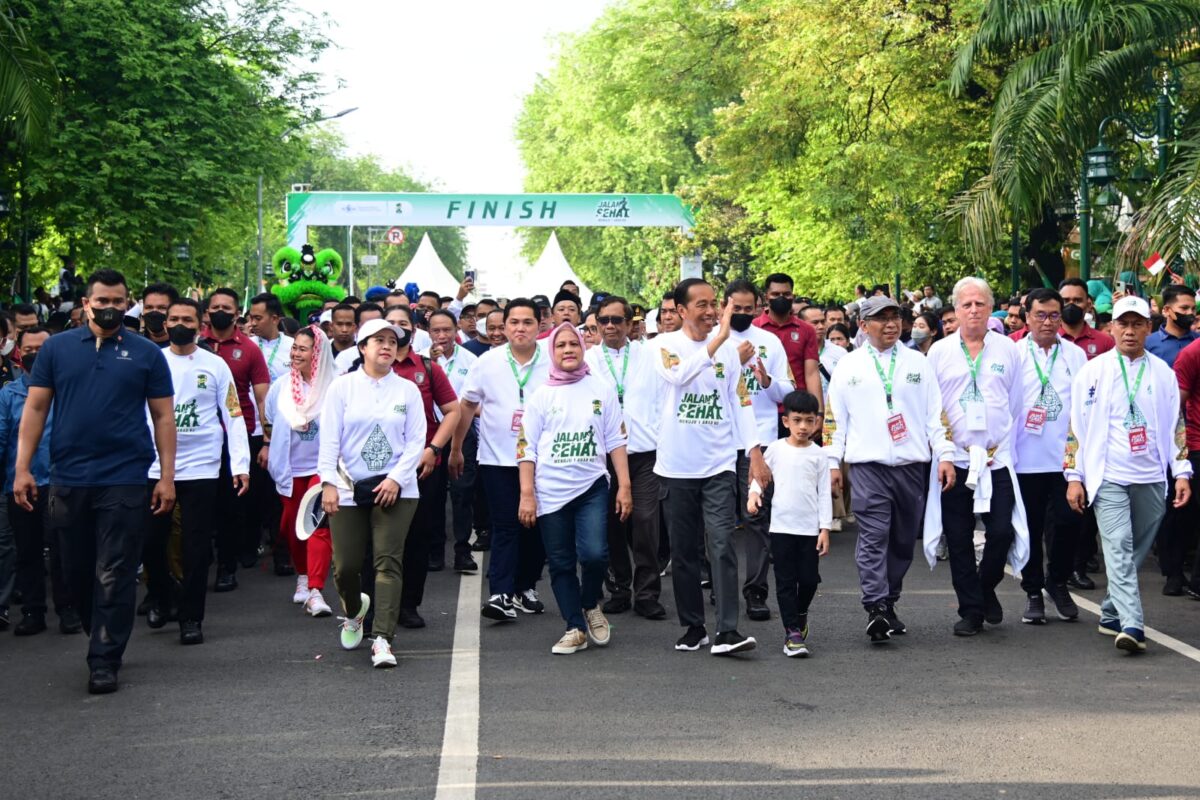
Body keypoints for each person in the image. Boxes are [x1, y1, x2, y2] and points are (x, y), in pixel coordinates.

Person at [15, 269, 176, 694]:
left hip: (125, 478)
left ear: (128, 305)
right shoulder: (56, 350)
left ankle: (104, 657)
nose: (110, 308)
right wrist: (22, 468)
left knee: (116, 570)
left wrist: (166, 477)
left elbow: (163, 416)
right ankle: (96, 626)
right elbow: (34, 410)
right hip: (68, 478)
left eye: (118, 302)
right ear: (85, 304)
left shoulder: (146, 354)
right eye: (102, 301)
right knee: (76, 568)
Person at [1066, 295, 1192, 652]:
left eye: (1138, 324)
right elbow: (1074, 429)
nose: (1130, 331)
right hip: (1108, 475)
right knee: (1118, 545)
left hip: (1151, 474)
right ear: (1112, 328)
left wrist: (1181, 472)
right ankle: (1133, 623)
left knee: (1136, 547)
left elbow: (1176, 428)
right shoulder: (1092, 372)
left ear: (1148, 329)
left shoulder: (1163, 374)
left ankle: (1110, 612)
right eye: (1124, 324)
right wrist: (1074, 476)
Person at [828, 296, 954, 642]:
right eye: (880, 318)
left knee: (901, 540)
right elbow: (834, 420)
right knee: (873, 535)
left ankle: (889, 600)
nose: (890, 324)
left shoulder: (918, 363)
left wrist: (944, 454)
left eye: (895, 317)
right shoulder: (849, 366)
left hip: (911, 465)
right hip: (868, 466)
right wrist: (831, 463)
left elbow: (935, 416)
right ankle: (875, 606)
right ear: (863, 325)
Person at [655, 278, 767, 655]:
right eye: (700, 305)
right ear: (681, 310)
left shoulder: (732, 350)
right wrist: (717, 341)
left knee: (721, 544)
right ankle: (693, 627)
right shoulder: (663, 346)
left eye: (713, 303)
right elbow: (677, 375)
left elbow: (741, 404)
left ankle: (728, 631)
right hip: (676, 466)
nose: (709, 311)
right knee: (684, 551)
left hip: (719, 464)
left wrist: (754, 452)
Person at [924, 276, 1029, 637]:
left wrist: (1002, 445)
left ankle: (986, 588)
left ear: (990, 308)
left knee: (1001, 532)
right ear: (954, 310)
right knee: (959, 537)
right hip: (955, 459)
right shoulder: (938, 352)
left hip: (995, 458)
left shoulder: (1008, 349)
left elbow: (1015, 402)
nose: (973, 310)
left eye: (980, 304)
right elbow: (932, 408)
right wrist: (943, 454)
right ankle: (970, 610)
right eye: (966, 305)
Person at [517, 322, 631, 654]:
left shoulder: (602, 390)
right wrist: (527, 494)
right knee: (562, 562)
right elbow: (526, 448)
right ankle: (575, 627)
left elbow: (616, 440)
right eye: (561, 345)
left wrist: (624, 485)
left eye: (574, 344)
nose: (568, 350)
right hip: (550, 492)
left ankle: (590, 603)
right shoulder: (541, 395)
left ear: (583, 348)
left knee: (594, 555)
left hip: (592, 487)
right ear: (551, 353)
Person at [318, 319, 425, 669]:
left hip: (398, 489)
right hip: (348, 488)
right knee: (346, 566)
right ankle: (354, 610)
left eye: (393, 341)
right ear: (362, 347)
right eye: (378, 340)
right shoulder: (342, 388)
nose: (387, 346)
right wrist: (328, 483)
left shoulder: (407, 390)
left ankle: (382, 638)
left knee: (387, 562)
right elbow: (329, 440)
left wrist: (396, 479)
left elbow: (415, 442)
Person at [143, 299, 250, 645]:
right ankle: (161, 597)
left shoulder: (216, 365)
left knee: (197, 547)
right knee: (151, 542)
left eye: (186, 319)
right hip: (156, 466)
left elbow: (233, 416)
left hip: (203, 466)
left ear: (199, 322)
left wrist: (240, 464)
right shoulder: (152, 361)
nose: (178, 323)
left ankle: (192, 617)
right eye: (173, 318)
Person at [451, 299, 550, 621]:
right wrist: (455, 448)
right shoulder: (488, 363)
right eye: (514, 323)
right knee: (505, 525)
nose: (520, 328)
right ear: (504, 327)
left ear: (539, 326)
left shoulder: (553, 360)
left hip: (543, 460)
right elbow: (466, 406)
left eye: (527, 322)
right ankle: (501, 593)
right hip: (497, 458)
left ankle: (526, 586)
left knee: (537, 526)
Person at [585, 296, 666, 619]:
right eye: (603, 320)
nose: (609, 326)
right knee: (610, 526)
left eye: (617, 320)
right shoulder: (587, 359)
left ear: (630, 323)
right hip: (601, 456)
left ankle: (647, 593)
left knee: (646, 523)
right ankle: (620, 588)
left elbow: (664, 399)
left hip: (644, 454)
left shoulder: (651, 355)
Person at [1011, 289, 1087, 624]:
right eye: (1040, 315)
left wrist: (1078, 463)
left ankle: (1057, 581)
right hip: (1023, 460)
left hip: (1064, 460)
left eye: (1054, 315)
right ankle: (1032, 591)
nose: (1047, 322)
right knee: (1029, 528)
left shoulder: (1075, 356)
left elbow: (1083, 412)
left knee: (1070, 524)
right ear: (1027, 316)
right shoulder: (1013, 355)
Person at [383, 305, 460, 628]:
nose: (397, 331)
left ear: (414, 330)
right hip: (379, 470)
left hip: (422, 469)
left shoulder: (427, 368)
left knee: (416, 538)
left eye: (404, 324)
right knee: (380, 542)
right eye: (390, 324)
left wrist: (434, 449)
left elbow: (453, 410)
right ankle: (374, 606)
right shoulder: (367, 369)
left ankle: (408, 604)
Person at [0, 327, 80, 636]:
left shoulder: (69, 389)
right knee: (27, 551)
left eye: (41, 348)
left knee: (62, 550)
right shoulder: (9, 394)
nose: (35, 354)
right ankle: (33, 611)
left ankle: (68, 608)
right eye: (29, 349)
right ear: (19, 352)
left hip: (62, 481)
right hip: (20, 483)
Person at [725, 280, 794, 620]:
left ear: (758, 307)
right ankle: (720, 586)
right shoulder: (713, 341)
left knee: (756, 517)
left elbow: (787, 391)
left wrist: (767, 381)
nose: (740, 314)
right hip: (719, 441)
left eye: (746, 309)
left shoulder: (770, 342)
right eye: (734, 308)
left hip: (759, 442)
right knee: (719, 520)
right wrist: (732, 362)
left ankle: (755, 591)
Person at [748, 390, 831, 656]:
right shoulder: (775, 449)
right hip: (781, 528)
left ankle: (801, 612)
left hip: (809, 530)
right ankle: (792, 633)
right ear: (786, 422)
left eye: (809, 421)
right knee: (785, 581)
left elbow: (824, 493)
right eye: (797, 420)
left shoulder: (819, 455)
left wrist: (825, 528)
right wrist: (753, 494)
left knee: (808, 581)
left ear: (816, 422)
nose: (803, 427)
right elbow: (760, 477)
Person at [264, 325, 336, 617]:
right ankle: (303, 576)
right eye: (294, 347)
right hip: (289, 468)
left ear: (317, 353)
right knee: (291, 528)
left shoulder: (335, 386)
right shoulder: (281, 387)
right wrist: (267, 445)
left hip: (323, 469)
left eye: (303, 349)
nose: (295, 354)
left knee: (317, 526)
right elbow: (269, 419)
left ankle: (316, 590)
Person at [201, 288, 271, 589]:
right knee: (201, 507)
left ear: (236, 312)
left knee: (232, 504)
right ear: (206, 313)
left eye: (226, 307)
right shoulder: (195, 345)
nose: (220, 310)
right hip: (201, 437)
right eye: (215, 306)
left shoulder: (249, 349)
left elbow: (262, 394)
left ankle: (227, 568)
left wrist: (267, 435)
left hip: (238, 434)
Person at [428, 309, 479, 573]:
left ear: (455, 330)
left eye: (446, 330)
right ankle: (435, 552)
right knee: (433, 496)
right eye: (436, 330)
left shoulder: (470, 360)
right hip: (432, 435)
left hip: (462, 433)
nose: (442, 336)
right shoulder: (422, 362)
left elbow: (475, 401)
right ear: (428, 333)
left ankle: (462, 552)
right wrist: (429, 363)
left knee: (462, 494)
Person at [754, 273, 822, 411]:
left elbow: (812, 373)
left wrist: (819, 412)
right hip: (762, 408)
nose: (781, 298)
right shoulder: (753, 328)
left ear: (793, 296)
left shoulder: (806, 330)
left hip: (798, 410)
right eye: (775, 294)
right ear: (766, 296)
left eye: (786, 294)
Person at [248, 293, 294, 382]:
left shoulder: (293, 346)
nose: (253, 323)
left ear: (274, 319)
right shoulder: (247, 345)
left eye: (258, 318)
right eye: (251, 318)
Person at [140, 283, 178, 348]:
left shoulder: (183, 348)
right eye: (149, 307)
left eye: (162, 308)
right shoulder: (134, 344)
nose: (154, 312)